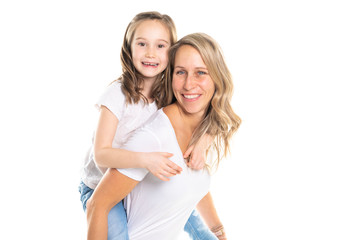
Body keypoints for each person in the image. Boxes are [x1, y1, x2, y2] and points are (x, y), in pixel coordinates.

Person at [79, 12, 223, 239]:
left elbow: (214, 115)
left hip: (133, 181)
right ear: (129, 48)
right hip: (99, 184)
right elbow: (101, 155)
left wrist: (203, 142)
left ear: (171, 53)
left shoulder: (167, 94)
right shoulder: (117, 95)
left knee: (192, 217)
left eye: (160, 46)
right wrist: (145, 160)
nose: (150, 53)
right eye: (142, 44)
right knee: (118, 234)